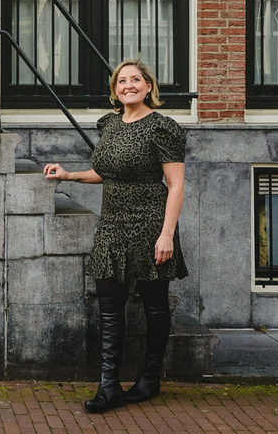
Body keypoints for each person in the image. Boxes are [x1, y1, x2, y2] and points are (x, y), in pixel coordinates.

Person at [43, 59, 187, 413]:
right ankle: (108, 385)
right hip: (113, 223)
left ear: (148, 86)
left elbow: (176, 184)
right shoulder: (109, 125)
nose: (128, 86)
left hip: (150, 223)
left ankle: (150, 377)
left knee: (154, 305)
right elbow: (104, 172)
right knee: (110, 305)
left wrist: (166, 234)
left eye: (135, 80)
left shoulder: (163, 128)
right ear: (115, 90)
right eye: (122, 81)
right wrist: (68, 175)